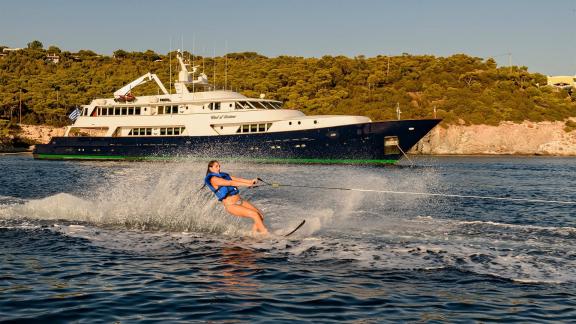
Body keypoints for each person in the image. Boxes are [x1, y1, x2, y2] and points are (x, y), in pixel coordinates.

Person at [203, 160, 269, 235]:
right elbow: (230, 183)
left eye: (219, 166)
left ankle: (253, 235)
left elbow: (236, 179)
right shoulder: (213, 179)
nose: (219, 168)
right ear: (210, 168)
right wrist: (247, 185)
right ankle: (266, 235)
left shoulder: (224, 175)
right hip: (231, 205)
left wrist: (250, 181)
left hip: (239, 201)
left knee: (260, 215)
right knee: (254, 214)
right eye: (216, 166)